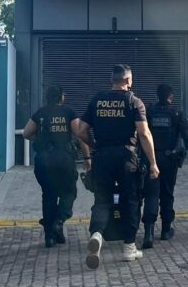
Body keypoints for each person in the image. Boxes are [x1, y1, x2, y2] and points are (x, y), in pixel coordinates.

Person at [74, 64, 159, 269]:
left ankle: (97, 234)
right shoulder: (134, 102)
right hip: (126, 157)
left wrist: (95, 146)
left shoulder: (97, 100)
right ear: (128, 81)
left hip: (102, 157)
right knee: (130, 200)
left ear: (112, 80)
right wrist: (154, 163)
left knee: (102, 199)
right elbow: (144, 134)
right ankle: (129, 247)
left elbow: (80, 130)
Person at [23, 85, 89, 248]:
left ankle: (49, 238)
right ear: (62, 97)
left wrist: (41, 140)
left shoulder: (40, 113)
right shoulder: (68, 112)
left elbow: (26, 133)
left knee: (49, 196)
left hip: (43, 163)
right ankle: (58, 222)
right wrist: (87, 157)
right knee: (69, 193)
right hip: (64, 161)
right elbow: (80, 135)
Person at [140, 84, 188, 249]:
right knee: (167, 194)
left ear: (157, 96)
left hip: (151, 159)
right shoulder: (176, 114)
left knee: (151, 194)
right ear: (170, 97)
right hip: (169, 160)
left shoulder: (149, 112)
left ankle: (148, 233)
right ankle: (166, 231)